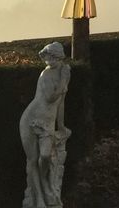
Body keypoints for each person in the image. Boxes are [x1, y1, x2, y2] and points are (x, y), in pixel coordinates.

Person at [21, 42, 72, 208]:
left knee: (45, 156)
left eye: (52, 58)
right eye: (47, 58)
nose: (49, 61)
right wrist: (63, 83)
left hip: (47, 122)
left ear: (58, 57)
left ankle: (44, 183)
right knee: (33, 160)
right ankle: (40, 200)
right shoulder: (45, 75)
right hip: (30, 119)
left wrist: (62, 126)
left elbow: (60, 104)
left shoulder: (64, 72)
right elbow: (51, 97)